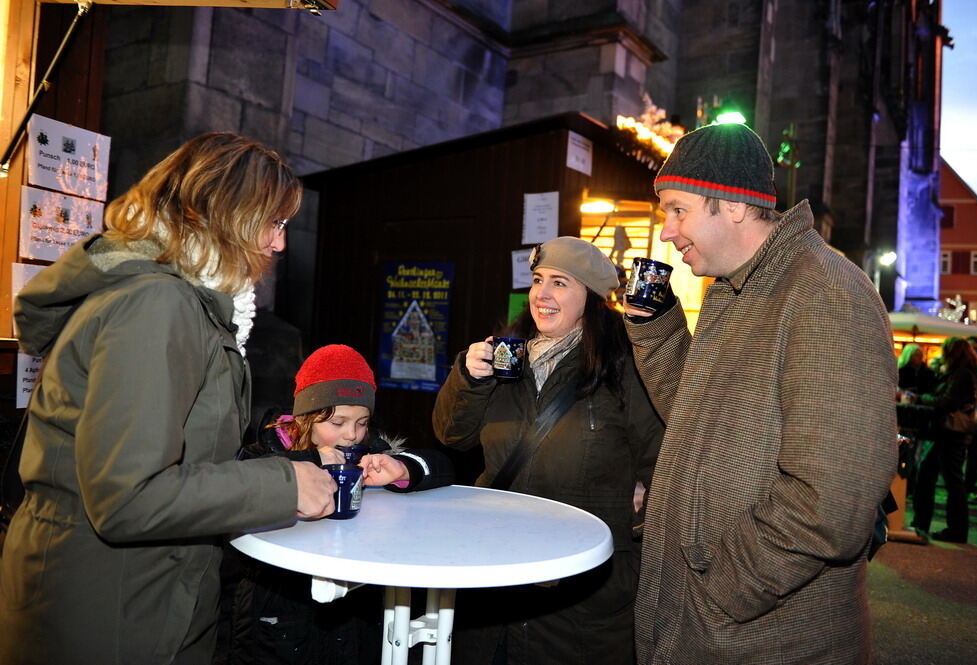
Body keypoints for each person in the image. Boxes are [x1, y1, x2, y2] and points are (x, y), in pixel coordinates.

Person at [0, 133, 337, 665]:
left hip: (142, 592)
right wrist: (282, 483)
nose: (279, 245)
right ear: (222, 215)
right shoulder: (156, 305)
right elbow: (129, 497)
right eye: (273, 223)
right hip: (106, 611)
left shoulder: (185, 302)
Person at [623, 123, 898, 664]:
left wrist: (726, 586)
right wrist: (659, 330)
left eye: (677, 210)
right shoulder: (737, 287)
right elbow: (697, 418)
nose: (667, 231)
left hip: (766, 638)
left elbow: (831, 502)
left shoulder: (825, 292)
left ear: (732, 206)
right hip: (720, 627)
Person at [432, 236, 664, 665]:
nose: (541, 293)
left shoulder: (624, 367)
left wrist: (634, 554)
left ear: (592, 298)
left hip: (581, 599)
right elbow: (452, 435)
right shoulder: (504, 361)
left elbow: (663, 462)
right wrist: (468, 377)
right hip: (493, 578)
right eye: (538, 280)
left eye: (560, 283)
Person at [228, 343, 454, 665]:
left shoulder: (369, 453)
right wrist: (310, 460)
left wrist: (403, 469)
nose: (351, 434)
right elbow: (244, 482)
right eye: (337, 423)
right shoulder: (265, 452)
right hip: (279, 611)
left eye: (362, 422)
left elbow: (442, 464)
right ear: (305, 417)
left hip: (354, 611)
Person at [911, 336, 977, 543]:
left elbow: (946, 403)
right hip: (949, 435)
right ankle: (924, 523)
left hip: (950, 434)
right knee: (931, 476)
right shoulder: (965, 373)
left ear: (952, 353)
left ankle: (954, 530)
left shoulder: (960, 375)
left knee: (948, 481)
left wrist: (922, 398)